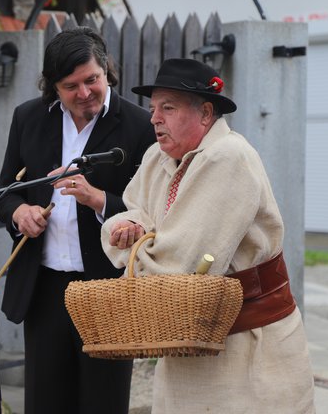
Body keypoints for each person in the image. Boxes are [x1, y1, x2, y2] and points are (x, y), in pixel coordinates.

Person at [101, 58, 315, 413]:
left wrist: (129, 247)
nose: (154, 118)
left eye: (167, 108)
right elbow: (131, 211)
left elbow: (179, 266)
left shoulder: (228, 157)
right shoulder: (158, 156)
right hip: (189, 336)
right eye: (154, 108)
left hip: (247, 344)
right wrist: (128, 228)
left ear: (205, 113)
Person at [0, 26, 155, 414]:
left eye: (92, 80)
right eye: (71, 86)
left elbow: (154, 213)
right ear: (53, 87)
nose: (84, 93)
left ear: (106, 71)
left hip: (108, 289)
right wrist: (20, 212)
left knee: (103, 403)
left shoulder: (139, 125)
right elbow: (4, 192)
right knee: (46, 402)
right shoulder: (29, 117)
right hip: (45, 286)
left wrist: (98, 199)